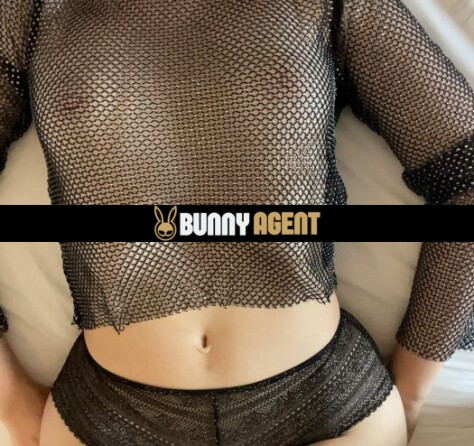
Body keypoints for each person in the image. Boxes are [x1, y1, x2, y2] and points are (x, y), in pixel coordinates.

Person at [0, 0, 473, 444]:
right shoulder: (35, 8)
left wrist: (413, 389)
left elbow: (467, 172)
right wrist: (10, 398)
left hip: (324, 402)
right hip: (108, 414)